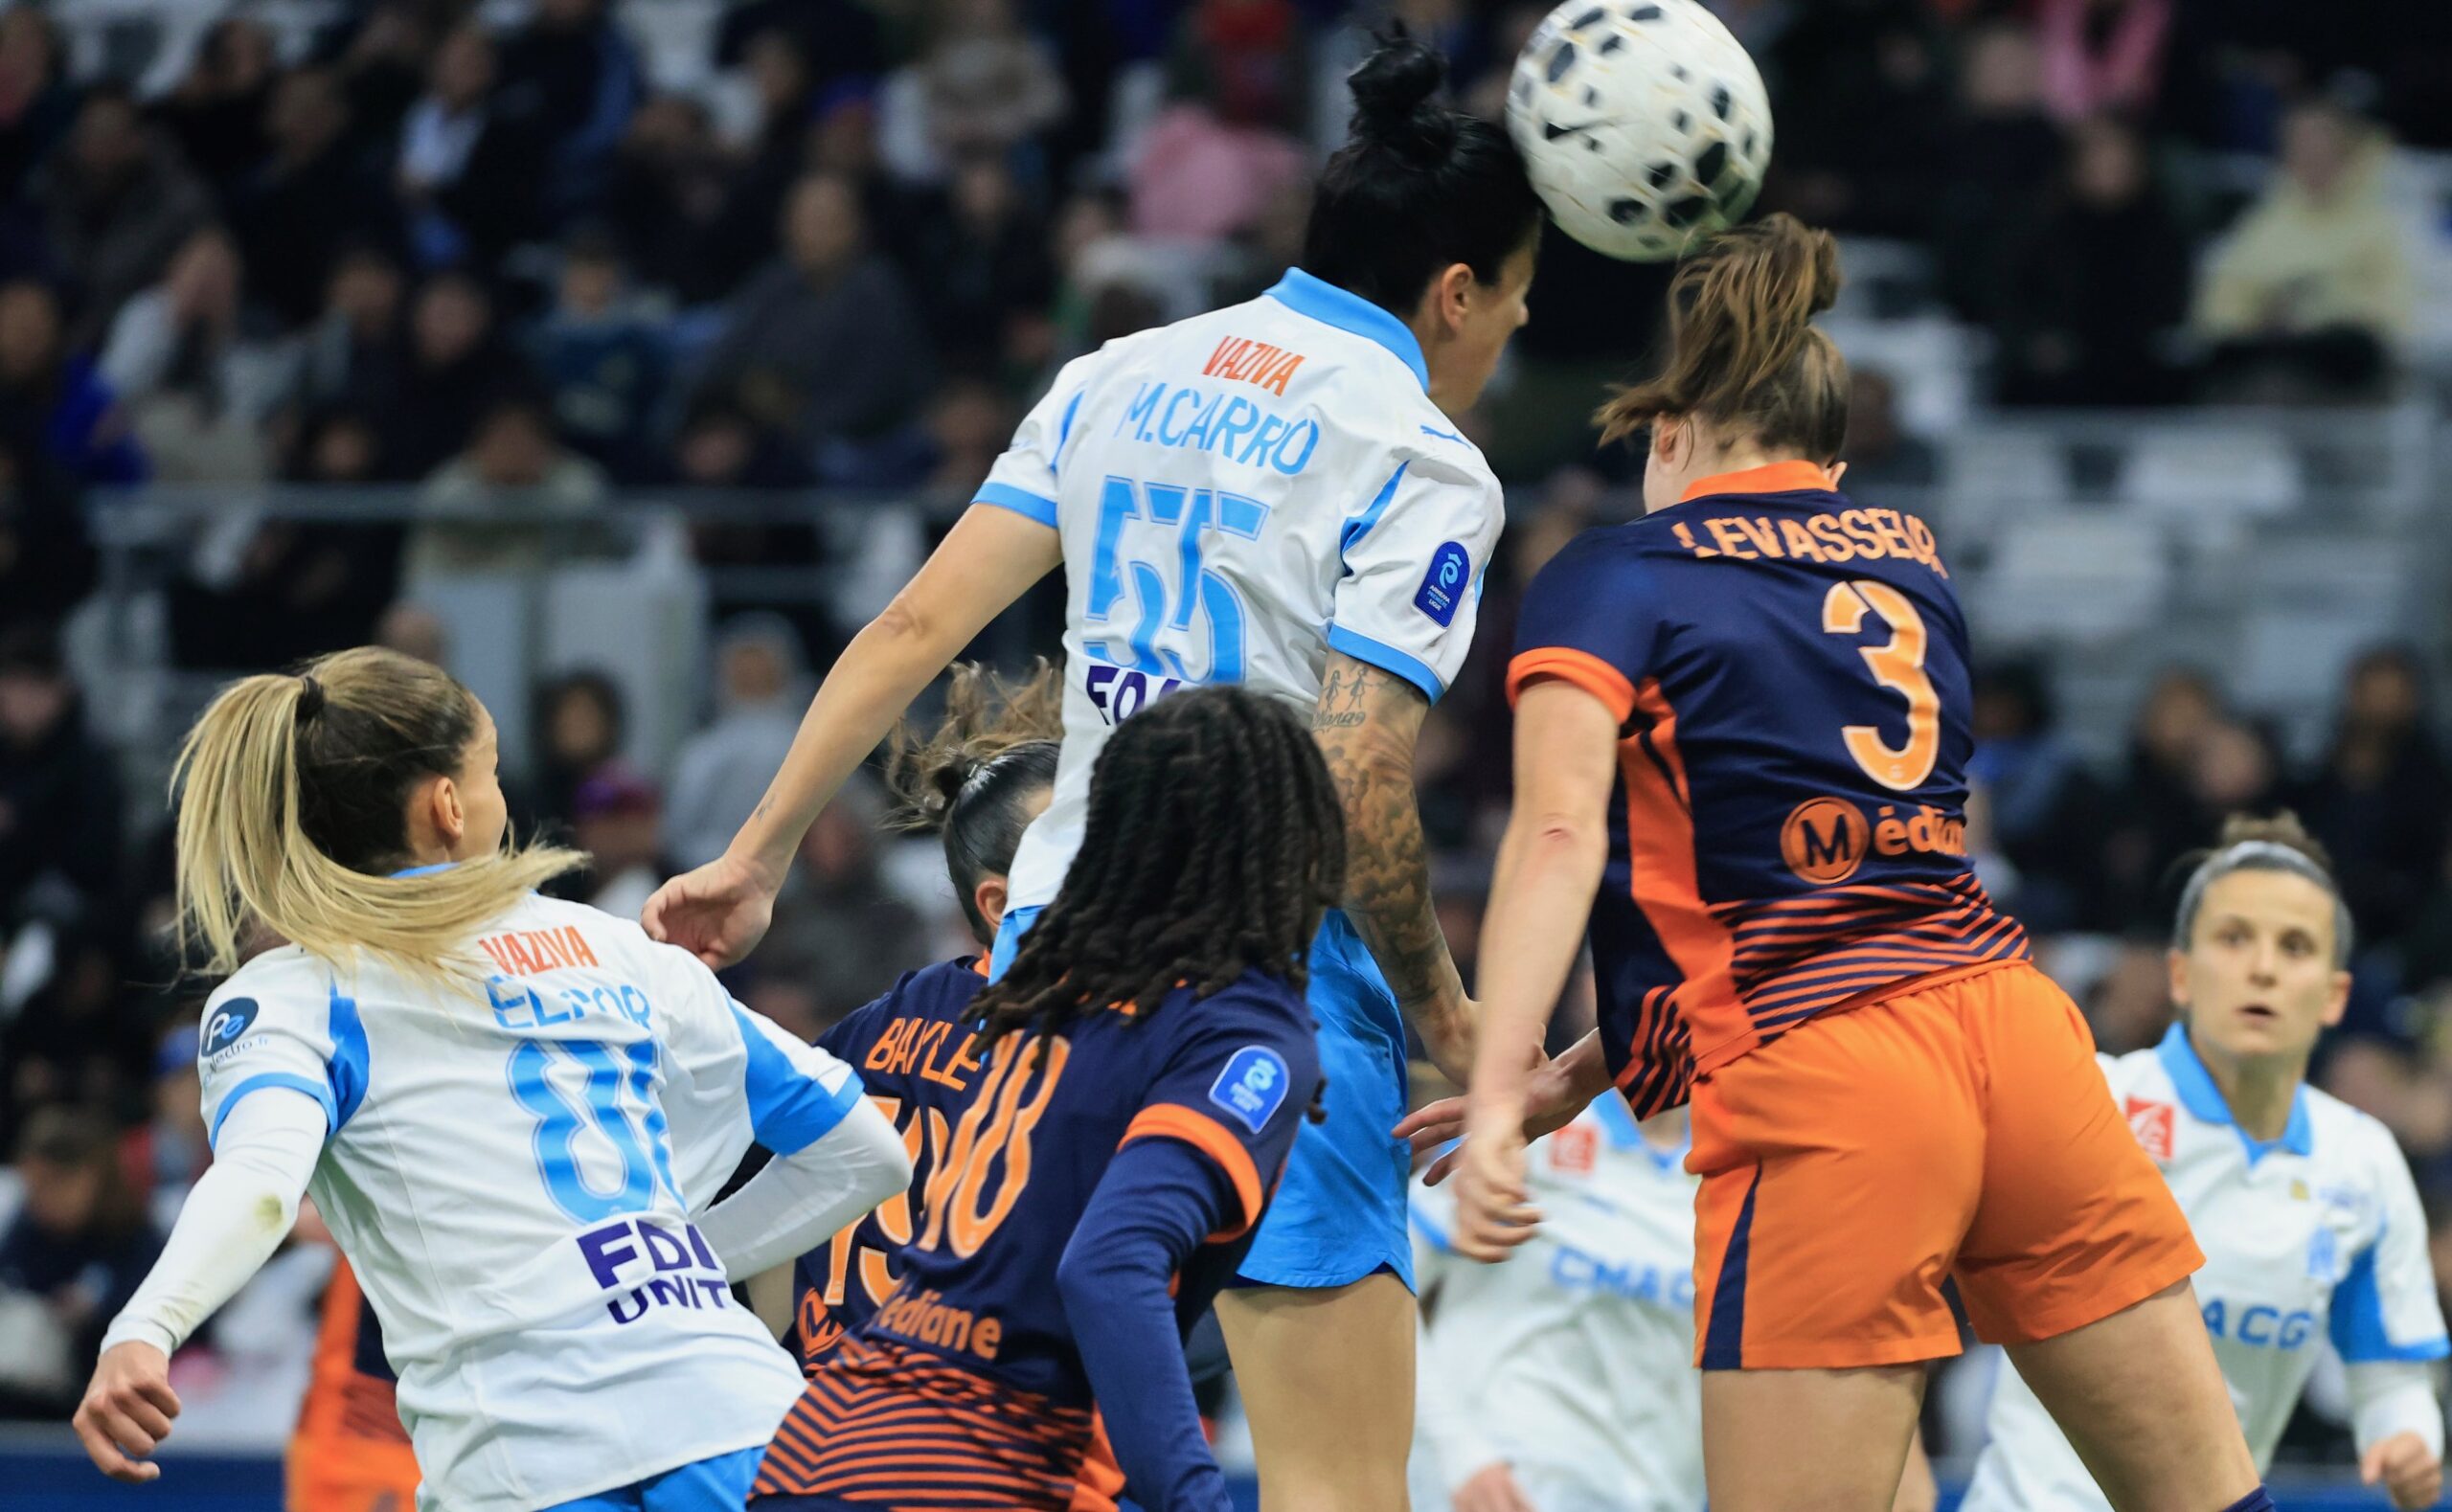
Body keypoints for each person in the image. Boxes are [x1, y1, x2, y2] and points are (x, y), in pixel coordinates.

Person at [645, 29, 1540, 1510]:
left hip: (1047, 954)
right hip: (1264, 973)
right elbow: (1360, 780)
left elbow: (921, 621)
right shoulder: (1421, 456)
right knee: (1337, 1479)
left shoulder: (1118, 371)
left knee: (1028, 1432)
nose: (1505, 335)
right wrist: (1449, 1014)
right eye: (1512, 304)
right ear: (1457, 295)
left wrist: (757, 851)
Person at [1428, 215, 2270, 1511]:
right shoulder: (1912, 559)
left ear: (1669, 437)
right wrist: (1585, 1072)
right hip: (2022, 1047)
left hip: (1835, 1091)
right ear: (1827, 458)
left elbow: (1559, 831)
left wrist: (1493, 1086)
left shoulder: (1616, 572)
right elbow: (1829, 890)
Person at [70, 646, 912, 1511]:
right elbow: (867, 1153)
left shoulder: (297, 994)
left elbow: (256, 1185)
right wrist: (674, 1266)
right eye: (492, 773)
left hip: (531, 1461)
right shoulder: (617, 945)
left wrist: (146, 1327)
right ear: (445, 806)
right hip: (753, 1426)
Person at [747, 685, 1332, 1512]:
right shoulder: (1235, 1023)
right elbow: (1109, 1265)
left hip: (815, 1441)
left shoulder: (1035, 988)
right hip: (982, 1469)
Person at [1964, 815, 2446, 1511]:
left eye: (2296, 945)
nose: (2264, 967)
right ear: (2181, 975)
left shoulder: (2362, 1161)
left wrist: (2408, 1436)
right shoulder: (2095, 1098)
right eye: (2234, 937)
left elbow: (2392, 1375)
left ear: (2335, 995)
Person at [782, 660, 1059, 1365]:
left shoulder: (862, 1032)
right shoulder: (1070, 1041)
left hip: (813, 1413)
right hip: (958, 1423)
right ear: (999, 905)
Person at [1408, 1100, 1712, 1512]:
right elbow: (1384, 1294)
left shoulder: (1739, 1161)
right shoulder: (1527, 1128)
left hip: (1664, 1495)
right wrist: (1458, 1453)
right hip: (1506, 1489)